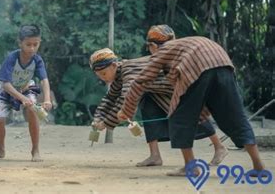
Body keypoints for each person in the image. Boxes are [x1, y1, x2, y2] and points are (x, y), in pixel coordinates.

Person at [118, 25, 266, 176]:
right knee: (236, 116)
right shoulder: (185, 43)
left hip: (197, 67)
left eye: (150, 48)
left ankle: (191, 167)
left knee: (178, 116)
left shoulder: (162, 51)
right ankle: (258, 166)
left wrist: (126, 111)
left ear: (153, 45)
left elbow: (140, 81)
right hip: (223, 63)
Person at [89, 46, 227, 169]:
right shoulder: (119, 75)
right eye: (99, 76)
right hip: (157, 90)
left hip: (177, 84)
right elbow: (110, 98)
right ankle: (155, 156)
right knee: (148, 110)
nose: (103, 78)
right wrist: (98, 118)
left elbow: (125, 100)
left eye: (104, 74)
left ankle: (219, 147)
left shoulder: (128, 70)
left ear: (114, 65)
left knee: (192, 115)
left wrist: (106, 123)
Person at [0, 25, 52, 162]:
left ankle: (35, 150)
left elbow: (44, 80)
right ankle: (0, 150)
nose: (32, 48)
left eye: (36, 44)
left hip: (26, 87)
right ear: (20, 43)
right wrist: (22, 98)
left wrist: (47, 99)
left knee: (32, 110)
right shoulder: (12, 58)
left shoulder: (37, 60)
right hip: (7, 89)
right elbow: (5, 84)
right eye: (28, 44)